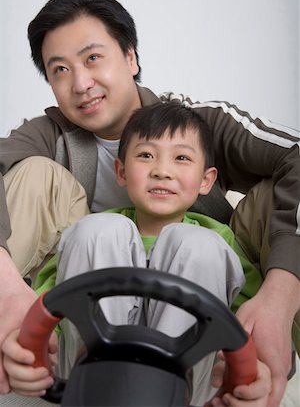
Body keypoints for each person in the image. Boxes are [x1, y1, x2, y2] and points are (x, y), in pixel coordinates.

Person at [0, 0, 299, 406]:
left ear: (130, 57)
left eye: (92, 58)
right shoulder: (46, 137)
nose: (81, 83)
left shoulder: (197, 125)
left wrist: (278, 298)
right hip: (86, 343)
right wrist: (10, 292)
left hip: (192, 334)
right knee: (62, 201)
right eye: (60, 70)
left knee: (217, 231)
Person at [3, 102, 271, 406]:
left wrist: (254, 372)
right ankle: (97, 383)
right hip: (89, 377)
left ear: (206, 180)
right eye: (146, 155)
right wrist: (26, 349)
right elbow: (46, 307)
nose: (161, 171)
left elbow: (251, 324)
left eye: (181, 157)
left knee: (200, 244)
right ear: (121, 171)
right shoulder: (96, 233)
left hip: (186, 385)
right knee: (97, 230)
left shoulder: (219, 241)